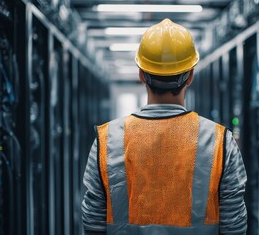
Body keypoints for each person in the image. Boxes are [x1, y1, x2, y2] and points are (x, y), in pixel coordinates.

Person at [81, 18, 247, 235]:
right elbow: (234, 227)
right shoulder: (220, 142)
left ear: (141, 75)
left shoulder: (107, 140)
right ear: (190, 76)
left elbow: (93, 224)